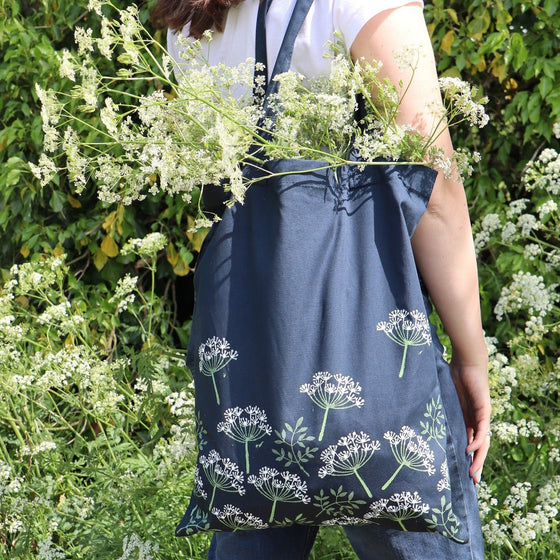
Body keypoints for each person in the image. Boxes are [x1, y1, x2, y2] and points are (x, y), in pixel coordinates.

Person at [152, 1, 492, 558]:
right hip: (375, 357)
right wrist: (471, 354)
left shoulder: (190, 20)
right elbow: (435, 189)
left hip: (254, 368)